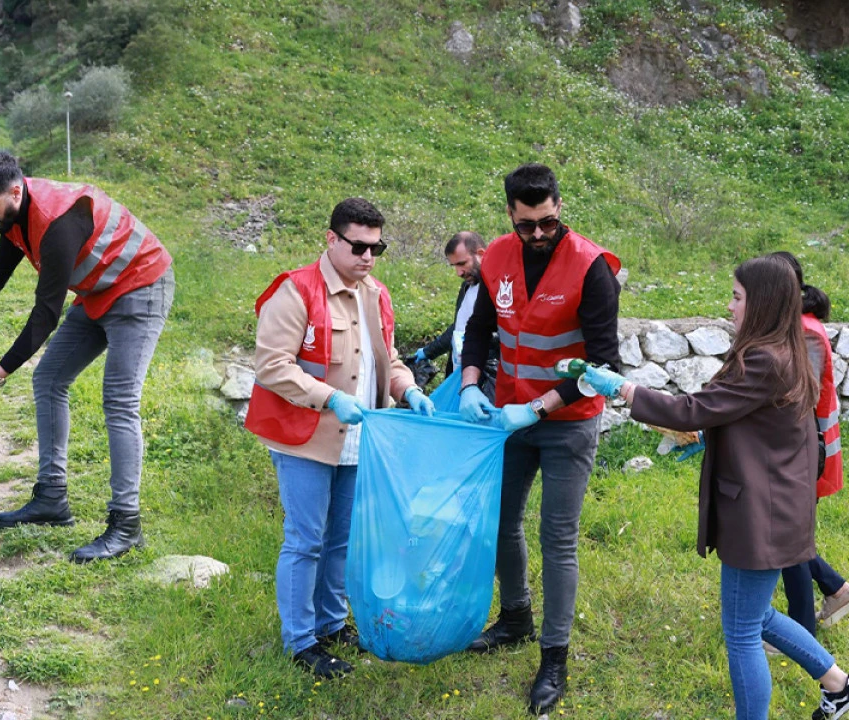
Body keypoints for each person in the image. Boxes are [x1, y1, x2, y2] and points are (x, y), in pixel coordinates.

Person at [584, 255, 849, 720]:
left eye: (737, 296)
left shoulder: (765, 360)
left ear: (762, 303)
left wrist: (622, 390)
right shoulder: (783, 350)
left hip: (761, 515)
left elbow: (691, 411)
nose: (730, 307)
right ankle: (839, 686)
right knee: (757, 616)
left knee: (743, 630)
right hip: (775, 506)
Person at [0, 150, 174, 563]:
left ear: (15, 191)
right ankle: (52, 499)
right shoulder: (15, 214)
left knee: (119, 401)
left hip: (140, 288)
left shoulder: (57, 222)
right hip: (98, 291)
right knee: (49, 380)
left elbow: (45, 313)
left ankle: (127, 525)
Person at [244, 198, 434, 679]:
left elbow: (388, 359)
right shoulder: (296, 290)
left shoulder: (377, 294)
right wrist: (328, 398)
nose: (368, 256)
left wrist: (409, 389)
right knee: (306, 539)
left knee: (341, 540)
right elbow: (271, 366)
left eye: (377, 247)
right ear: (331, 239)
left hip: (359, 439)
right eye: (359, 246)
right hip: (305, 437)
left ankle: (331, 625)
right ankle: (300, 642)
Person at [457, 163, 621, 714]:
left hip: (568, 420)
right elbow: (481, 329)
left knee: (558, 536)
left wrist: (541, 406)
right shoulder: (497, 257)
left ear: (558, 206)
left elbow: (604, 362)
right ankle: (516, 618)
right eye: (527, 225)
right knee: (500, 522)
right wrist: (471, 385)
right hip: (507, 416)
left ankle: (555, 656)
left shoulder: (590, 266)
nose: (538, 235)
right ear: (510, 213)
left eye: (548, 222)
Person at [771, 252, 849, 640]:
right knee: (791, 536)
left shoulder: (803, 332)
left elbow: (796, 398)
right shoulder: (797, 326)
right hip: (802, 451)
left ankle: (799, 632)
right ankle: (836, 589)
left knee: (789, 541)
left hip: (805, 454)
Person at [411, 231, 500, 400]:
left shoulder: (500, 288)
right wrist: (427, 352)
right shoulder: (468, 285)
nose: (459, 272)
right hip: (460, 376)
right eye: (454, 266)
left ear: (481, 254)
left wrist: (481, 341)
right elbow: (459, 327)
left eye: (462, 264)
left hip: (488, 380)